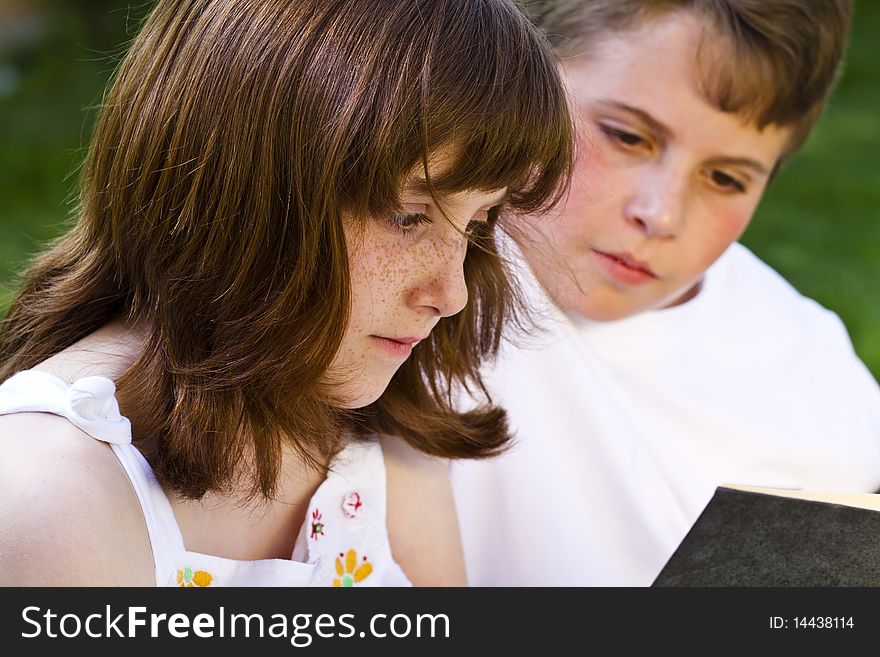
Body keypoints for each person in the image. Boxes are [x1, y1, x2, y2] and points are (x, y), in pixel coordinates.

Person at [0, 0, 573, 587]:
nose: (450, 292)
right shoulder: (49, 490)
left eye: (477, 223)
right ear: (241, 185)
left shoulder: (374, 445)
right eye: (407, 216)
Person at [451, 0, 880, 586]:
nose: (661, 213)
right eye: (627, 136)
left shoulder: (812, 362)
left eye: (725, 178)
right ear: (516, 80)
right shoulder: (421, 290)